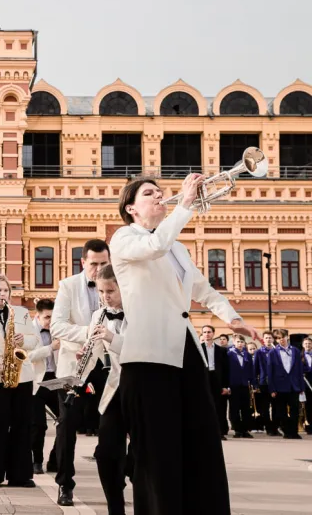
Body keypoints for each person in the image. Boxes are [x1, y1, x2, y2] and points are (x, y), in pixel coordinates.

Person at [111, 174, 259, 515]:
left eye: (160, 191)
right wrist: (184, 204)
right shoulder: (123, 238)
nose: (159, 196)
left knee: (201, 437)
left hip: (184, 348)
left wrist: (232, 318)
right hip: (149, 353)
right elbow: (154, 247)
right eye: (149, 193)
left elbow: (201, 289)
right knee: (159, 444)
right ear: (131, 208)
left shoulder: (176, 246)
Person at [50, 238, 111, 507]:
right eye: (94, 264)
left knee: (118, 420)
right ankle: (65, 484)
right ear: (83, 262)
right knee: (66, 425)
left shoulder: (120, 285)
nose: (99, 269)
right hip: (73, 364)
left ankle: (118, 479)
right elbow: (57, 327)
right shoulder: (67, 286)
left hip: (109, 364)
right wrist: (87, 334)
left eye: (104, 263)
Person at [80, 264, 128, 515]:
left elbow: (140, 350)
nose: (105, 297)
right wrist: (83, 360)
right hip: (115, 389)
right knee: (106, 453)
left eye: (110, 291)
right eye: (100, 291)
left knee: (146, 456)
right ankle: (115, 506)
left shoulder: (140, 311)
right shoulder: (98, 315)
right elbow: (94, 353)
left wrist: (110, 337)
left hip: (142, 389)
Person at [0, 275, 38, 488]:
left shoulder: (22, 313)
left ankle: (20, 475)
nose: (2, 294)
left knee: (22, 425)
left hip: (22, 375)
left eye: (5, 290)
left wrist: (24, 340)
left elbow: (35, 341)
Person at [28, 298, 60, 475]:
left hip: (55, 379)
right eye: (47, 317)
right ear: (38, 315)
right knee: (38, 425)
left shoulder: (57, 329)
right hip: (36, 381)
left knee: (66, 420)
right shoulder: (29, 330)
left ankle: (55, 460)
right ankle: (36, 461)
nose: (50, 321)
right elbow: (26, 356)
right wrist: (50, 348)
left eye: (52, 318)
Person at [266, 328, 303, 440]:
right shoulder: (272, 352)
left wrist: (301, 386)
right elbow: (270, 372)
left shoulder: (295, 351)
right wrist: (272, 389)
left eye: (282, 337)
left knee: (295, 410)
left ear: (287, 336)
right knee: (281, 411)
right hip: (279, 386)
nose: (280, 340)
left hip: (293, 386)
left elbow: (299, 370)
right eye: (277, 338)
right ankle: (287, 431)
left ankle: (294, 432)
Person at [200, 325, 231, 439]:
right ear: (202, 334)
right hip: (204, 379)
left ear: (213, 334)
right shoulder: (198, 348)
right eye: (204, 332)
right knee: (204, 407)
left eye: (209, 332)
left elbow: (226, 369)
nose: (207, 334)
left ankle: (220, 432)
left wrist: (226, 386)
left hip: (217, 379)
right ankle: (205, 432)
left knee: (220, 407)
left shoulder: (221, 350)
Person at [227, 335, 255, 438]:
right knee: (234, 408)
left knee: (245, 408)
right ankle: (237, 429)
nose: (240, 344)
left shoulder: (247, 354)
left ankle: (245, 430)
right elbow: (227, 370)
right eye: (238, 342)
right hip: (233, 384)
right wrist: (227, 385)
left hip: (244, 384)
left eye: (242, 342)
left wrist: (252, 382)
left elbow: (251, 370)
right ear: (234, 342)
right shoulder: (229, 354)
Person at [254, 330, 279, 435]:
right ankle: (269, 428)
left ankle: (275, 427)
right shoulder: (259, 352)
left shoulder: (277, 351)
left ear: (273, 339)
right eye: (266, 338)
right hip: (264, 383)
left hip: (277, 383)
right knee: (265, 407)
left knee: (277, 407)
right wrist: (256, 384)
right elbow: (255, 369)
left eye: (270, 338)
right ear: (263, 340)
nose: (268, 339)